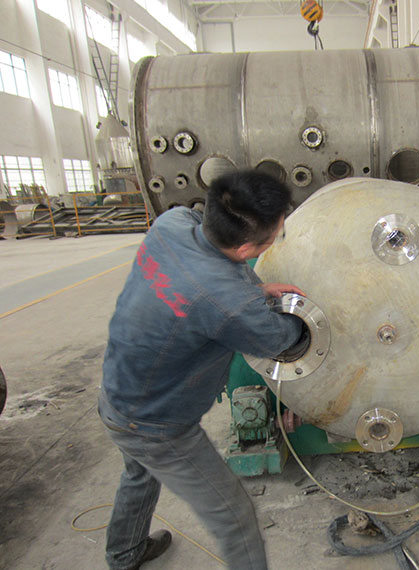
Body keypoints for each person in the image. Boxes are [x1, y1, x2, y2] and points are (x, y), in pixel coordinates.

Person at [98, 169, 305, 570]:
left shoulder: (171, 223)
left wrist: (256, 290)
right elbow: (280, 339)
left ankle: (124, 554)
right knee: (235, 517)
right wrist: (304, 318)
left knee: (140, 473)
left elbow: (205, 282)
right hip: (156, 424)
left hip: (117, 392)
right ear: (246, 249)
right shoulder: (226, 302)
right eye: (274, 235)